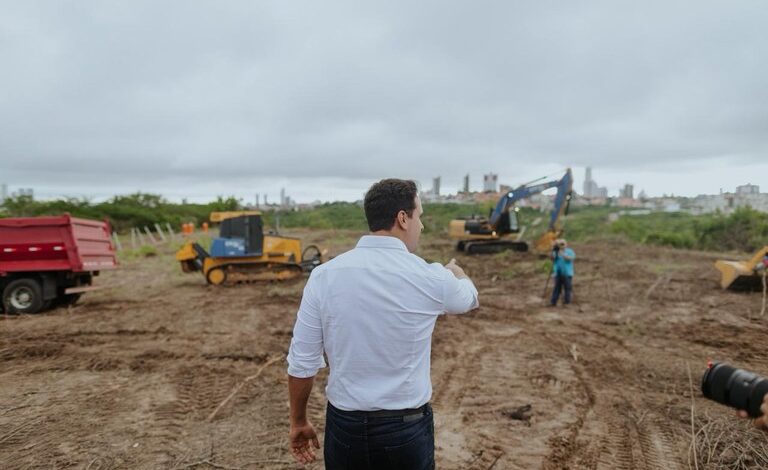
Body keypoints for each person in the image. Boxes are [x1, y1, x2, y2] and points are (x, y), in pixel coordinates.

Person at [286, 178, 480, 469]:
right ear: (403, 218)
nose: (422, 226)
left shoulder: (324, 276)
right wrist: (457, 273)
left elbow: (302, 361)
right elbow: (468, 299)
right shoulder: (430, 276)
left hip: (345, 428)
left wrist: (298, 421)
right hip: (404, 430)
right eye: (420, 216)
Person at [550, 238, 575, 306]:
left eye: (563, 244)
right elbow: (552, 259)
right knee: (557, 288)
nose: (562, 245)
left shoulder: (570, 251)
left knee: (567, 287)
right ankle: (553, 301)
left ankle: (567, 301)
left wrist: (563, 254)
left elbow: (570, 259)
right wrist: (553, 249)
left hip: (567, 272)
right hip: (558, 273)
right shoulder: (556, 251)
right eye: (560, 244)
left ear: (566, 244)